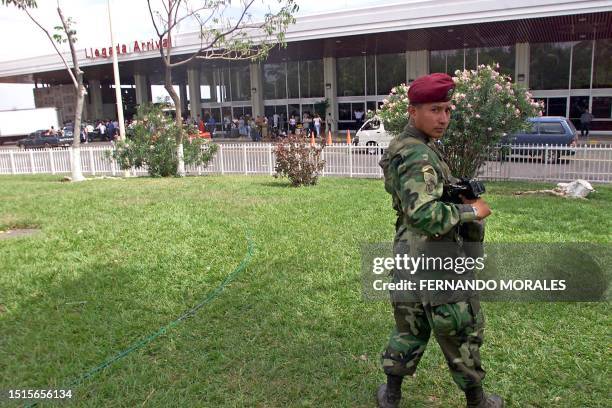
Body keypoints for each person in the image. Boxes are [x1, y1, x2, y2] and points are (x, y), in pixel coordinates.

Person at [376, 73, 501, 408]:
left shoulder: (406, 146)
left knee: (409, 325)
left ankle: (391, 395)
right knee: (460, 328)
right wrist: (473, 212)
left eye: (447, 110)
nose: (443, 118)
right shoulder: (419, 155)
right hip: (437, 257)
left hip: (408, 254)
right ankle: (478, 401)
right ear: (413, 111)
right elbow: (423, 214)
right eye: (435, 109)